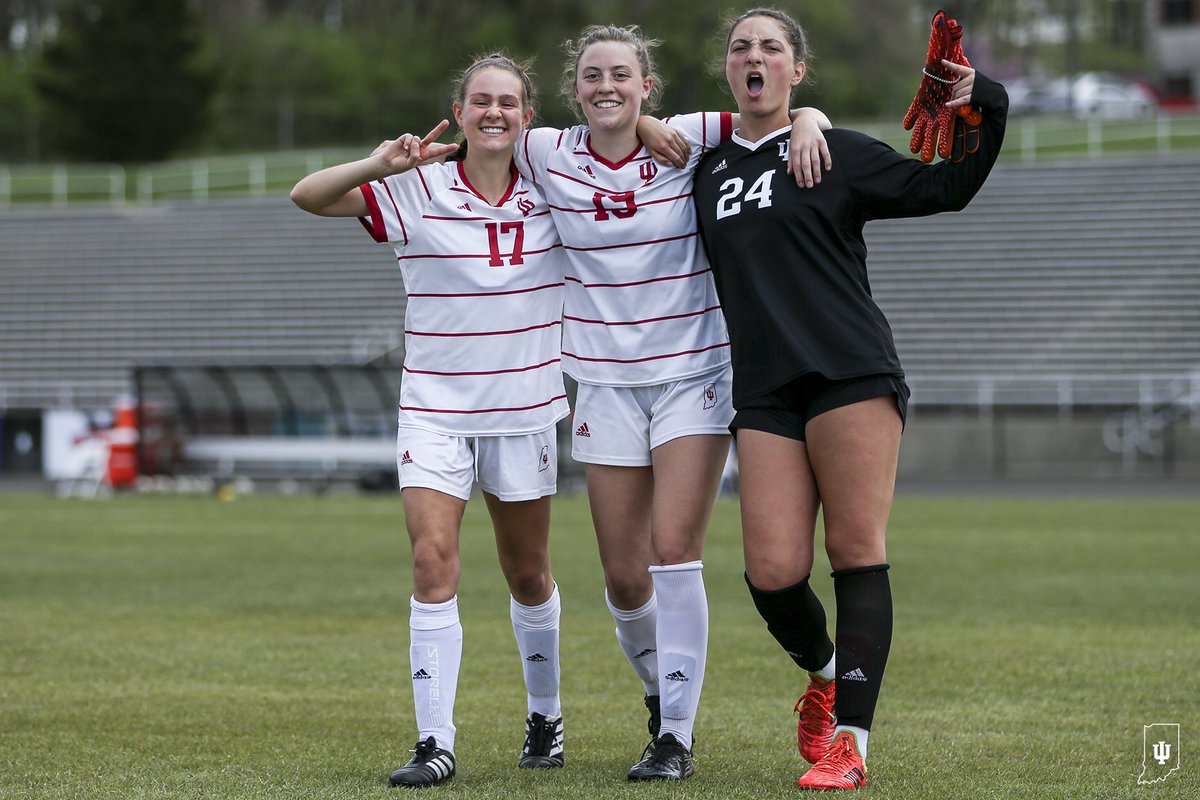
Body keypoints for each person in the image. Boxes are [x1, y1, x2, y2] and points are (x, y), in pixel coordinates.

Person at [692, 8, 1007, 791]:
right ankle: (826, 673)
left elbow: (948, 187)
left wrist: (984, 104)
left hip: (849, 372)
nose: (755, 56)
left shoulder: (834, 154)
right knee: (770, 572)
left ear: (798, 70)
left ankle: (851, 743)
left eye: (772, 47)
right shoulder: (700, 165)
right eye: (741, 48)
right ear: (728, 70)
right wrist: (797, 119)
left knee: (855, 550)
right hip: (764, 387)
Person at [511, 24, 832, 781]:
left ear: (646, 86)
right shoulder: (545, 151)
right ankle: (661, 699)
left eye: (621, 75)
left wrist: (813, 119)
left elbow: (780, 115)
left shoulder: (690, 136)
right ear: (575, 89)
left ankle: (676, 738)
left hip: (695, 374)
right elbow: (486, 144)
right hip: (604, 382)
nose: (607, 87)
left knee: (672, 554)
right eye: (593, 76)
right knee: (624, 579)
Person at [290, 53, 570, 788]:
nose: (494, 112)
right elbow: (306, 196)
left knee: (528, 573)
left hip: (524, 411)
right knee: (430, 560)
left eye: (508, 101)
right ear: (462, 109)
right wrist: (376, 163)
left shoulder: (554, 189)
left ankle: (545, 713)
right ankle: (434, 741)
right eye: (481, 100)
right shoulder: (413, 187)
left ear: (527, 116)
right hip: (435, 413)